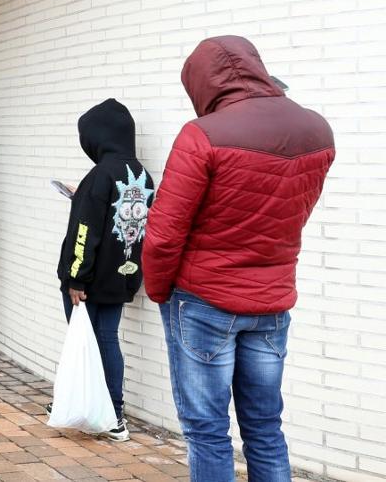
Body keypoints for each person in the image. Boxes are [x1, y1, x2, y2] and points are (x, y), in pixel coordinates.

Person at [143, 36, 334, 482]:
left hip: (202, 300)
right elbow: (288, 216)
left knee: (207, 430)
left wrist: (158, 290)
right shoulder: (317, 130)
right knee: (266, 428)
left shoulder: (204, 134)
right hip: (271, 302)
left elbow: (164, 234)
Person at [54, 98, 155, 442]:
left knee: (83, 342)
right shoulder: (143, 175)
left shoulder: (99, 174)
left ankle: (81, 405)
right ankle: (114, 414)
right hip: (122, 276)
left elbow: (85, 230)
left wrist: (75, 277)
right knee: (107, 340)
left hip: (89, 281)